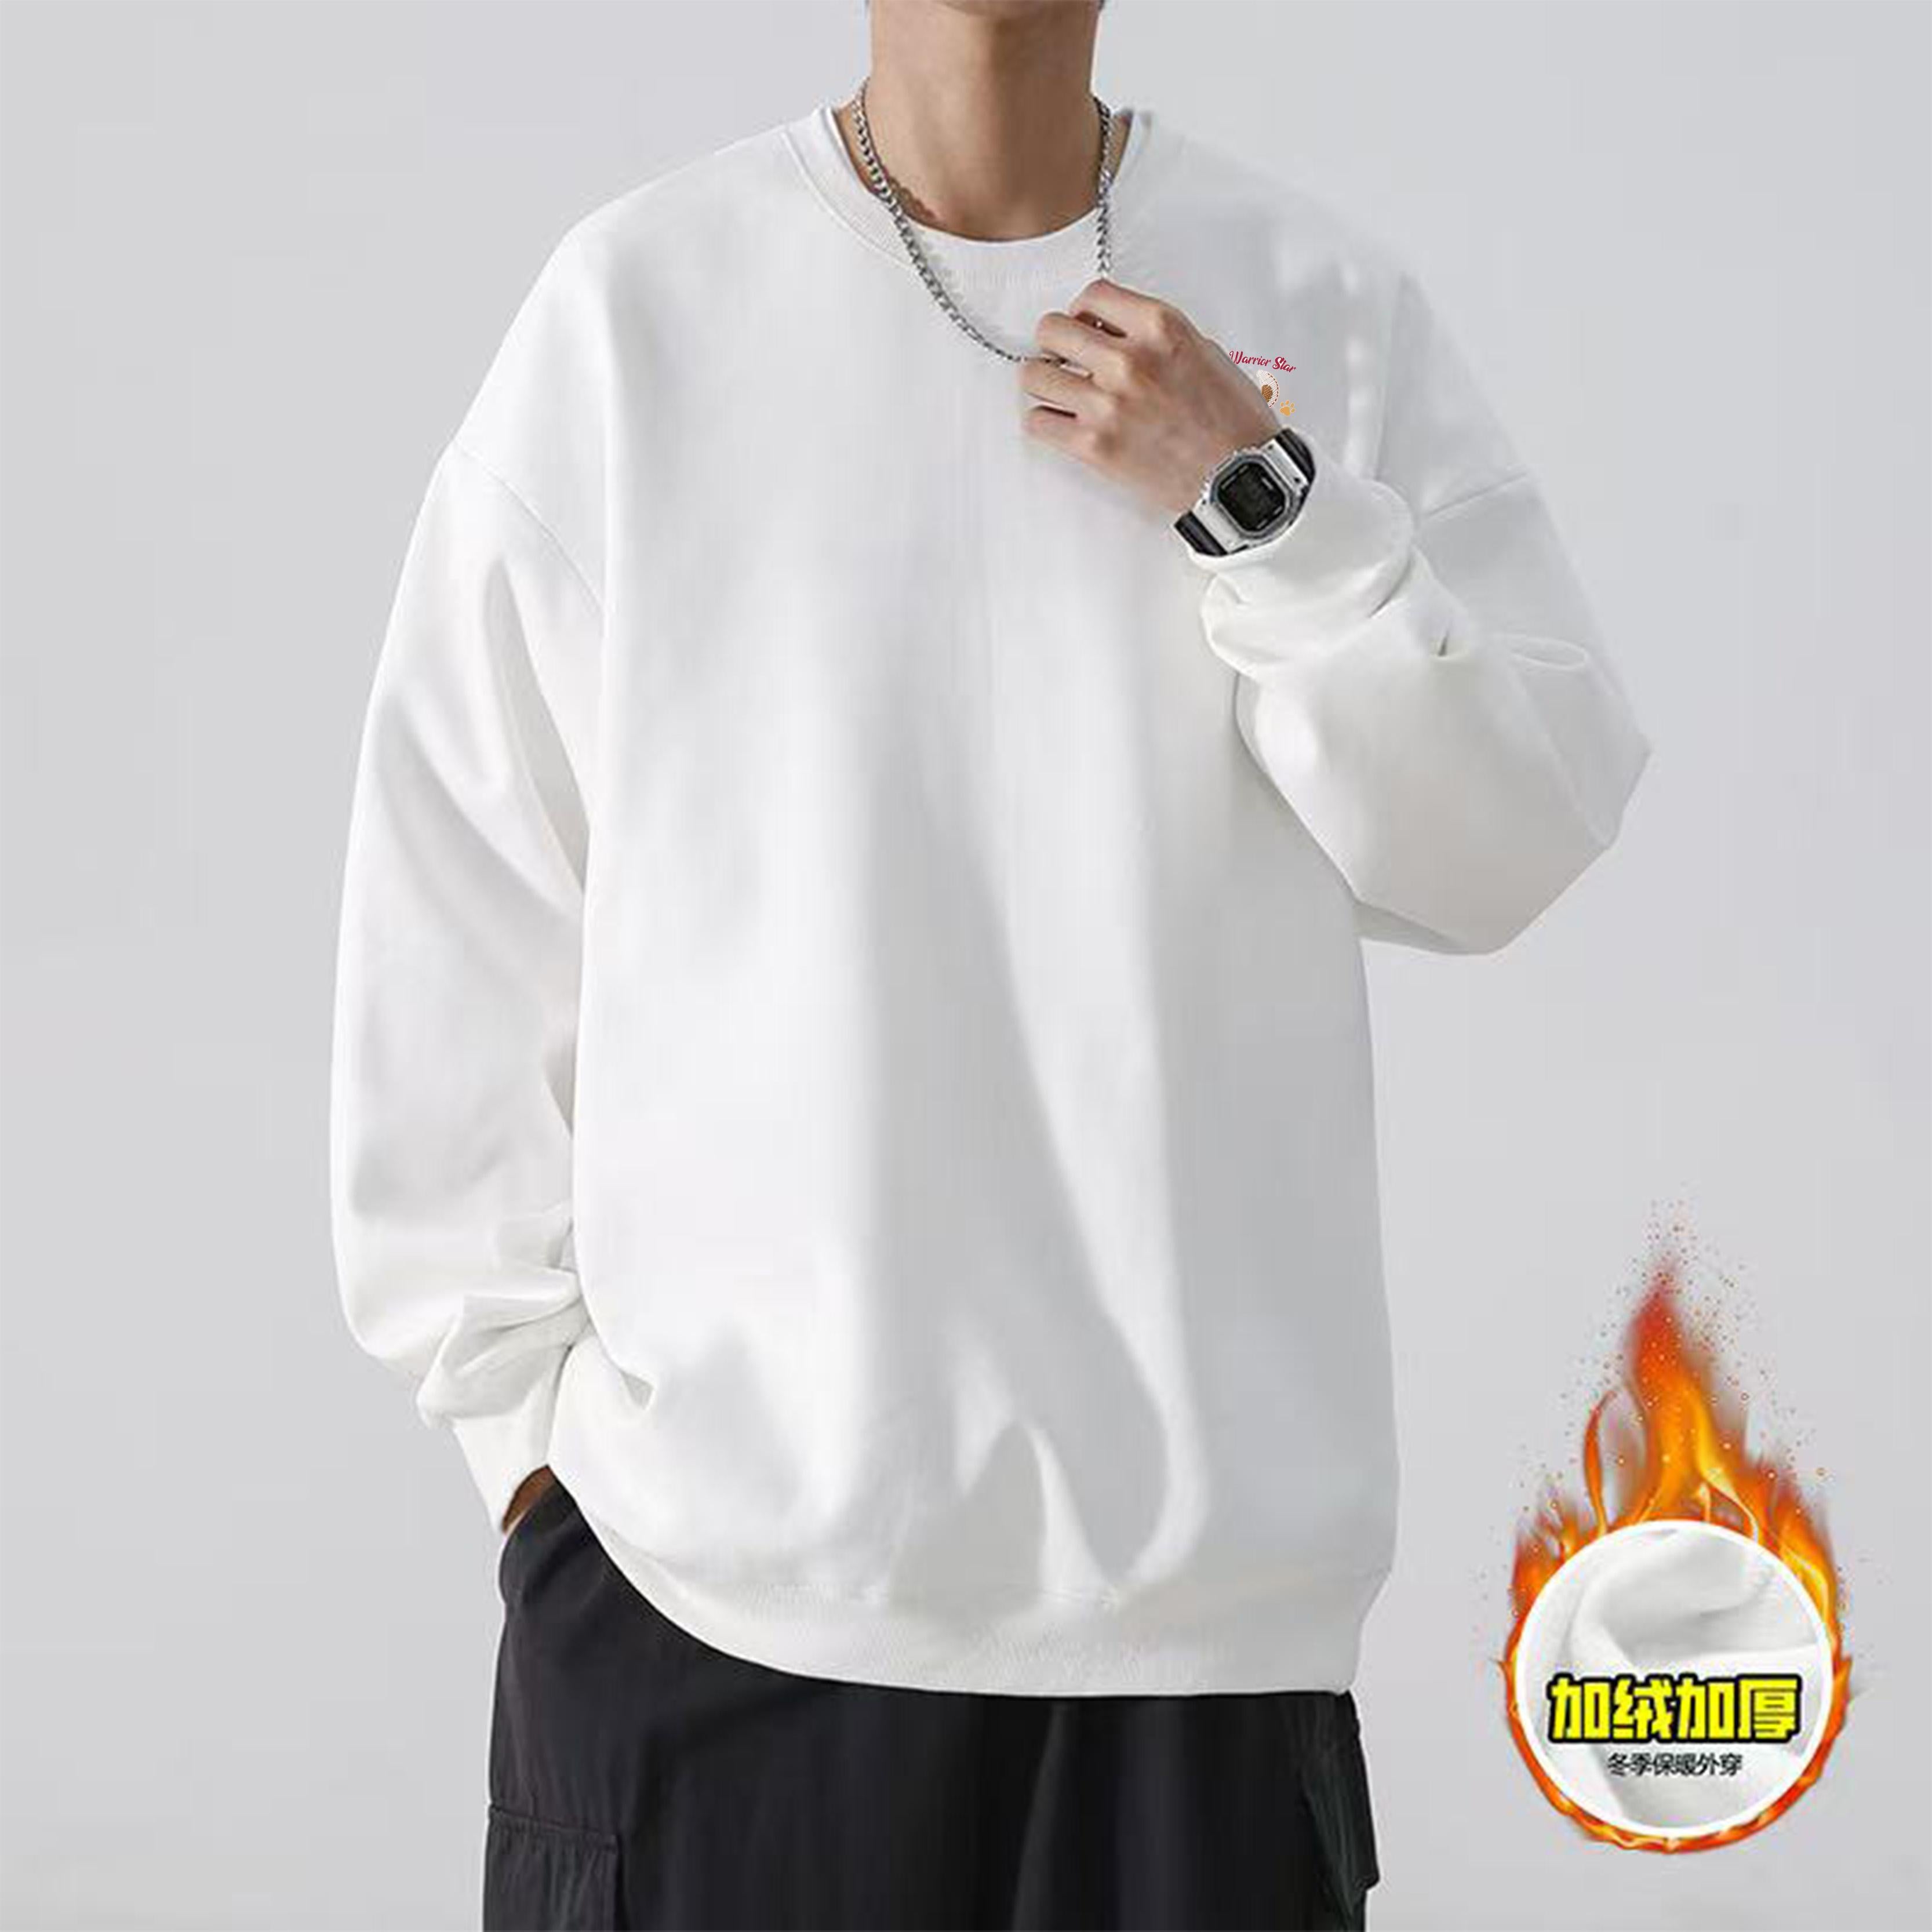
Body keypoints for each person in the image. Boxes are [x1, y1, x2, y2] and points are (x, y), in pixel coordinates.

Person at [328, 1, 1650, 1924]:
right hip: (708, 1625)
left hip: (1198, 1659)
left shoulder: (1318, 306)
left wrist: (1265, 510)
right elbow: (456, 907)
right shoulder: (637, 315)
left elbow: (1508, 841)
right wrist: (533, 1469)